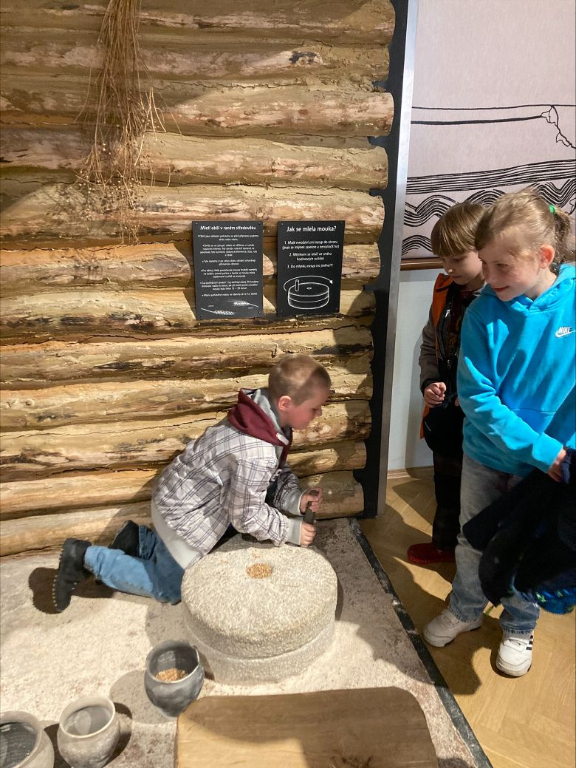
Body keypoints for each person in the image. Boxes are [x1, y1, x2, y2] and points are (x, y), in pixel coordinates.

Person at [423, 189, 575, 677]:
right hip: (488, 455)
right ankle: (466, 608)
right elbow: (478, 398)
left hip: (553, 466)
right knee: (472, 538)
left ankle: (518, 626)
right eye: (484, 264)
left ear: (543, 256)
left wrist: (560, 453)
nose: (488, 278)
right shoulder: (483, 312)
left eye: (501, 266)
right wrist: (541, 449)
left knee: (528, 543)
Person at [53, 355, 331, 612]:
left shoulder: (261, 416)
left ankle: (138, 542)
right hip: (182, 518)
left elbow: (272, 472)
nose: (318, 415)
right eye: (314, 408)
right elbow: (245, 514)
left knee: (241, 516)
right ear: (285, 403)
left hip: (178, 496)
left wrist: (294, 499)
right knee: (170, 587)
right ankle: (85, 557)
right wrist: (289, 529)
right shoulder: (257, 451)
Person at [407, 202, 485, 566]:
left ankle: (472, 566)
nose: (448, 267)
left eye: (457, 258)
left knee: (478, 493)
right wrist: (430, 381)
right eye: (443, 258)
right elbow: (430, 344)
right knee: (446, 481)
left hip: (482, 414)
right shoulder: (446, 290)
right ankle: (443, 545)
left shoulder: (501, 299)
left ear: (484, 250)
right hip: (446, 409)